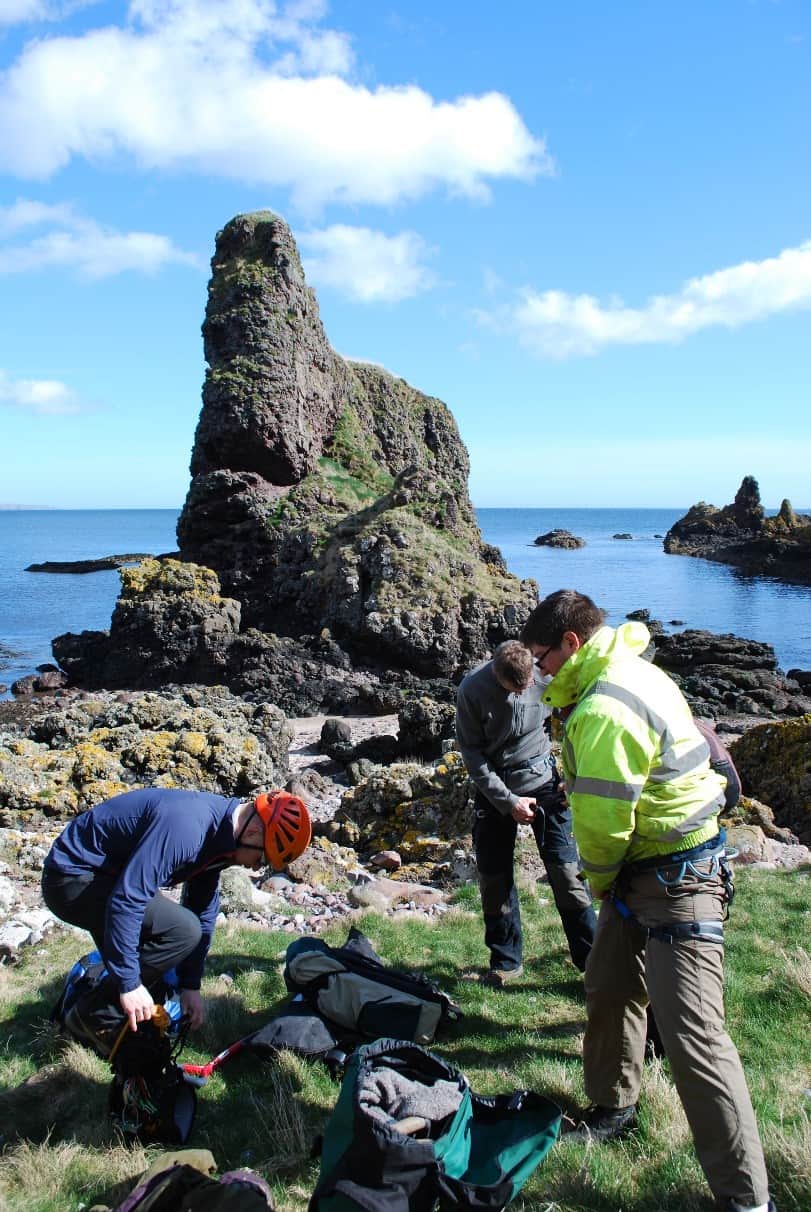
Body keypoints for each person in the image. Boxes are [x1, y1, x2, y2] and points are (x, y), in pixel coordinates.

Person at [521, 590, 773, 1212]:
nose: (538, 671)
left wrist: (599, 883)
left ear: (572, 645)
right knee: (609, 985)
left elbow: (605, 824)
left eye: (542, 657)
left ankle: (747, 1201)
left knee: (695, 1040)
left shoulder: (602, 709)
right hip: (644, 867)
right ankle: (615, 1105)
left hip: (678, 877)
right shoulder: (632, 666)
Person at [42, 787, 311, 1053]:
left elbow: (202, 908)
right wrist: (129, 985)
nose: (256, 867)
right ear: (252, 832)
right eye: (262, 858)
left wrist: (189, 986)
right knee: (181, 931)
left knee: (175, 941)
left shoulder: (223, 836)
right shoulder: (188, 828)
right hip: (72, 879)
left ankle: (100, 1001)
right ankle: (92, 1015)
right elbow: (129, 899)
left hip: (107, 877)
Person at [455, 639, 597, 985]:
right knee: (494, 879)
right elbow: (471, 755)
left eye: (527, 687)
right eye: (512, 689)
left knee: (567, 875)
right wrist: (507, 801)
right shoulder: (472, 690)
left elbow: (582, 717)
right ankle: (505, 961)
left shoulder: (545, 675)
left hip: (545, 781)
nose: (521, 694)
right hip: (495, 789)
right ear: (496, 673)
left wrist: (574, 777)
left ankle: (594, 962)